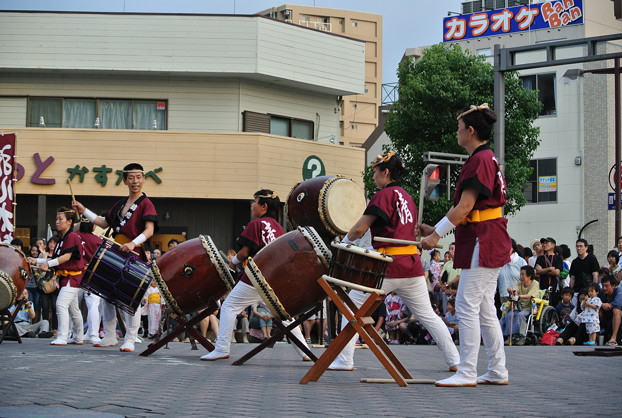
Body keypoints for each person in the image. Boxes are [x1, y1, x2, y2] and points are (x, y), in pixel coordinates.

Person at [328, 151, 459, 372]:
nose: (373, 178)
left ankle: (344, 359)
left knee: (351, 308)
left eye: (376, 173)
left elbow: (360, 228)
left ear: (386, 172)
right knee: (428, 315)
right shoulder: (407, 197)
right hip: (411, 264)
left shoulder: (383, 196)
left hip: (386, 267)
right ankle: (455, 360)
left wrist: (343, 242)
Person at [421, 103, 510, 387]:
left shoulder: (479, 160)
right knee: (484, 309)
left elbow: (465, 207)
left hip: (483, 237)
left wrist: (435, 236)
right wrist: (435, 229)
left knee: (467, 305)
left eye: (459, 129)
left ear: (470, 131)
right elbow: (466, 210)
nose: (456, 133)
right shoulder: (487, 158)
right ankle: (497, 371)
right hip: (487, 235)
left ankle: (467, 371)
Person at [200, 190, 310, 361]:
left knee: (229, 306)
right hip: (276, 278)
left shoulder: (255, 225)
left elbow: (244, 252)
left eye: (255, 202)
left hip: (256, 276)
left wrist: (231, 264)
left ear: (264, 206)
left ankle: (222, 348)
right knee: (283, 315)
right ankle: (304, 352)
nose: (252, 205)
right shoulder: (279, 228)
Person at [72, 163, 158, 352]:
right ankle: (110, 336)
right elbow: (103, 222)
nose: (135, 181)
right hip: (116, 251)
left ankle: (130, 338)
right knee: (107, 296)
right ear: (125, 180)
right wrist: (83, 209)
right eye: (131, 178)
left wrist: (133, 243)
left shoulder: (146, 203)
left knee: (130, 297)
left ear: (143, 179)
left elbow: (149, 230)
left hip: (134, 254)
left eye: (138, 177)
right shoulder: (120, 204)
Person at [28, 207, 85, 346]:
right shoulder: (62, 239)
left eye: (61, 219)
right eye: (56, 218)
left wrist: (48, 264)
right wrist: (37, 261)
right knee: (73, 309)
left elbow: (66, 257)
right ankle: (78, 337)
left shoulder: (72, 237)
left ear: (69, 222)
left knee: (60, 304)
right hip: (66, 278)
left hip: (73, 277)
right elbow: (55, 258)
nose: (57, 221)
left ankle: (62, 336)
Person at [76, 219, 104, 344]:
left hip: (76, 274)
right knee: (93, 306)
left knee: (72, 306)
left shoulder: (74, 237)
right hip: (92, 274)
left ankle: (72, 333)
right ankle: (93, 333)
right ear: (93, 227)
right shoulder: (98, 240)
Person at [499, 265, 538, 346]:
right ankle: (510, 336)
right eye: (521, 274)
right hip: (520, 308)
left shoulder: (535, 284)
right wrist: (511, 291)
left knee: (520, 315)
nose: (521, 276)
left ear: (529, 275)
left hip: (529, 308)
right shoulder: (519, 283)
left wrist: (519, 296)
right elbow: (515, 290)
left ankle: (521, 336)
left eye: (523, 274)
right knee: (509, 315)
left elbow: (530, 295)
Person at [534, 237, 563, 306]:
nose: (544, 245)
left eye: (546, 243)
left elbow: (557, 272)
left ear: (553, 245)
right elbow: (537, 272)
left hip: (555, 287)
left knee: (553, 307)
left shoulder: (558, 258)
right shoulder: (540, 258)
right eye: (543, 243)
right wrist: (549, 269)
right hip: (542, 287)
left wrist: (543, 271)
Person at [599, 275, 622, 346]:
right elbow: (594, 301)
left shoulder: (619, 291)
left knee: (616, 310)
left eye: (606, 286)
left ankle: (613, 338)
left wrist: (610, 305)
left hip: (620, 316)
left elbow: (618, 303)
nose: (604, 288)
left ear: (613, 286)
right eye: (603, 286)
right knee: (598, 311)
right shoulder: (601, 292)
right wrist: (601, 304)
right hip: (607, 317)